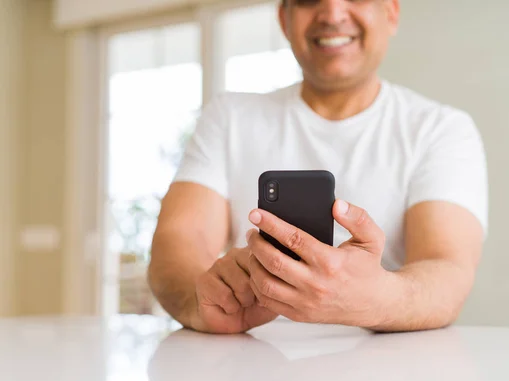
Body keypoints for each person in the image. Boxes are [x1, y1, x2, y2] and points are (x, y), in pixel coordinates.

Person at [148, 0, 488, 334]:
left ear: (391, 13)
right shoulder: (228, 117)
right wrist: (202, 302)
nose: (332, 13)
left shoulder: (441, 129)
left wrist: (375, 299)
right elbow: (178, 242)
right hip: (247, 368)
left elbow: (448, 270)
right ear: (285, 19)